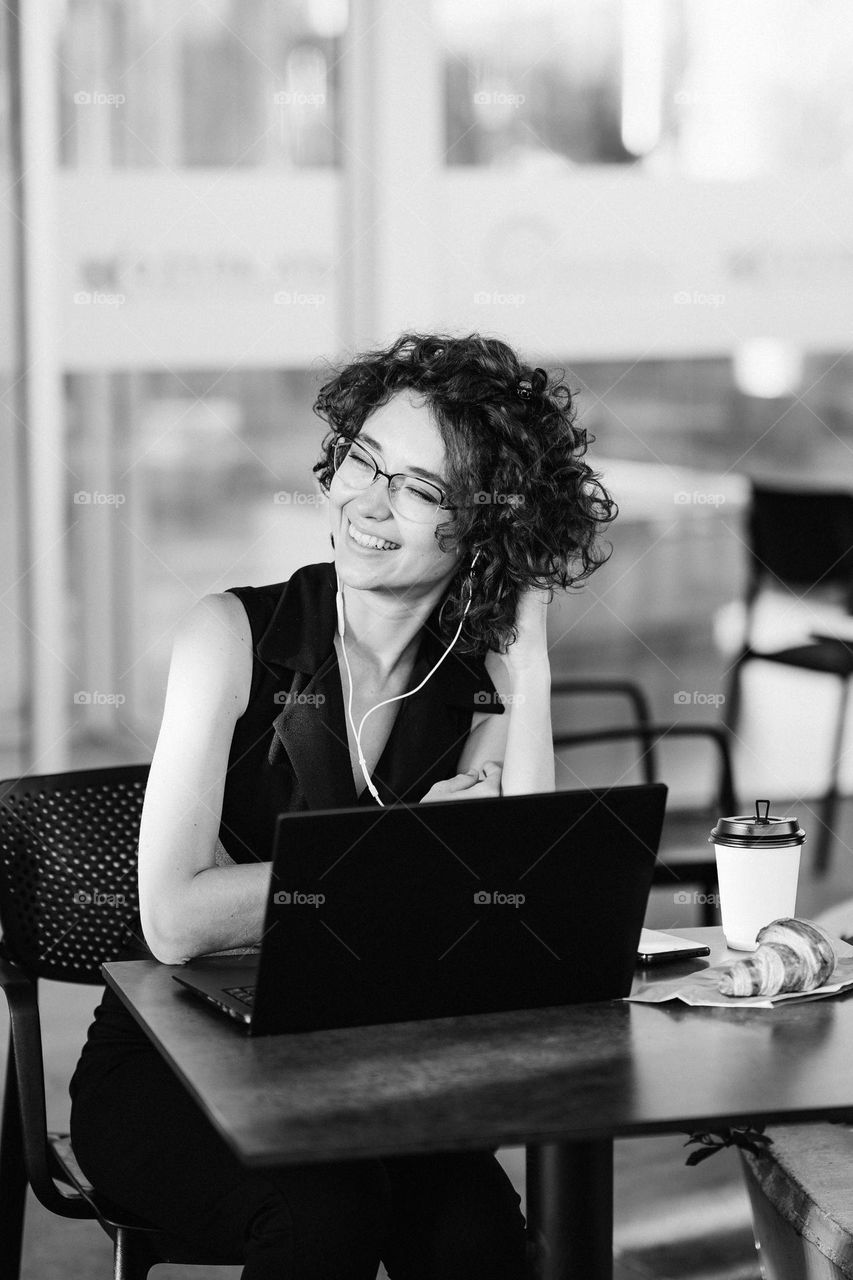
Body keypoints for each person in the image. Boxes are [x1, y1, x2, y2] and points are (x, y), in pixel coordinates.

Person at [69, 332, 616, 1279]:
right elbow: (175, 921)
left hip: (369, 1060)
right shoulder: (230, 635)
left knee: (475, 1237)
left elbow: (520, 920)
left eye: (420, 487)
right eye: (363, 459)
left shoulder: (472, 681)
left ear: (483, 530)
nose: (367, 500)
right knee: (322, 1218)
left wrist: (527, 664)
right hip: (176, 1061)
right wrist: (407, 846)